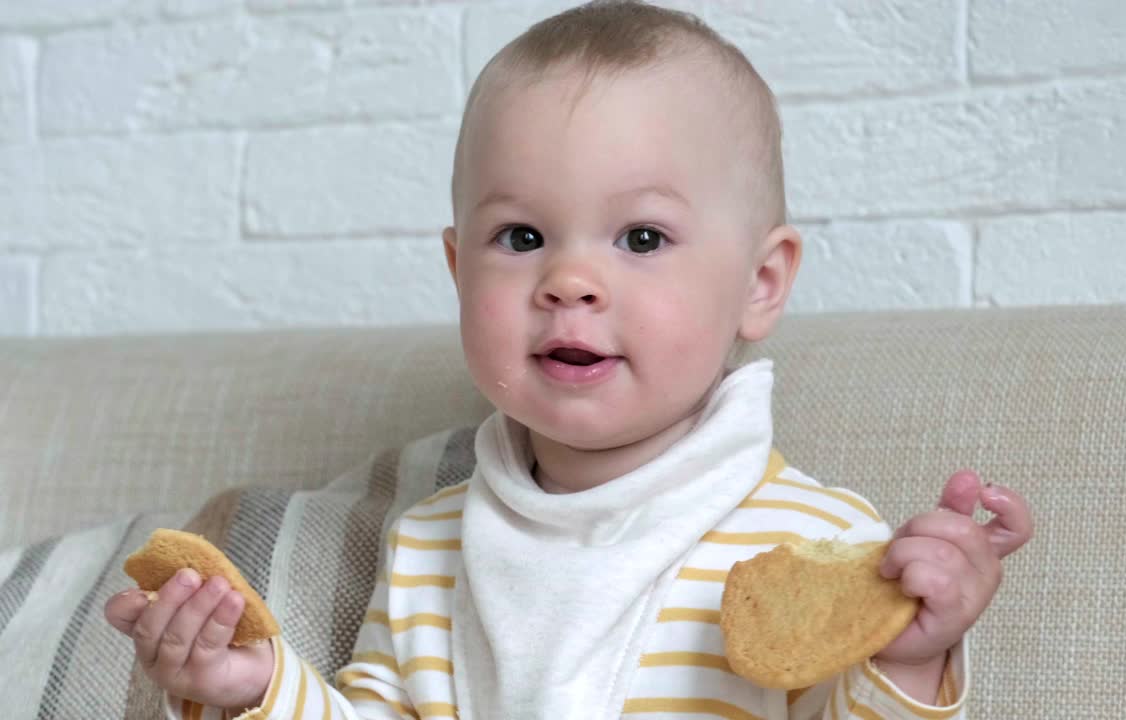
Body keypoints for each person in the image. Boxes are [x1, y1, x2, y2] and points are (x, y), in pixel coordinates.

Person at [104, 2, 1034, 718]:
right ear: (458, 270)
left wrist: (909, 657)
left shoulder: (820, 544)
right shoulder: (431, 543)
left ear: (760, 282)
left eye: (639, 236)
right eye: (520, 235)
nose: (570, 279)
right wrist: (254, 686)